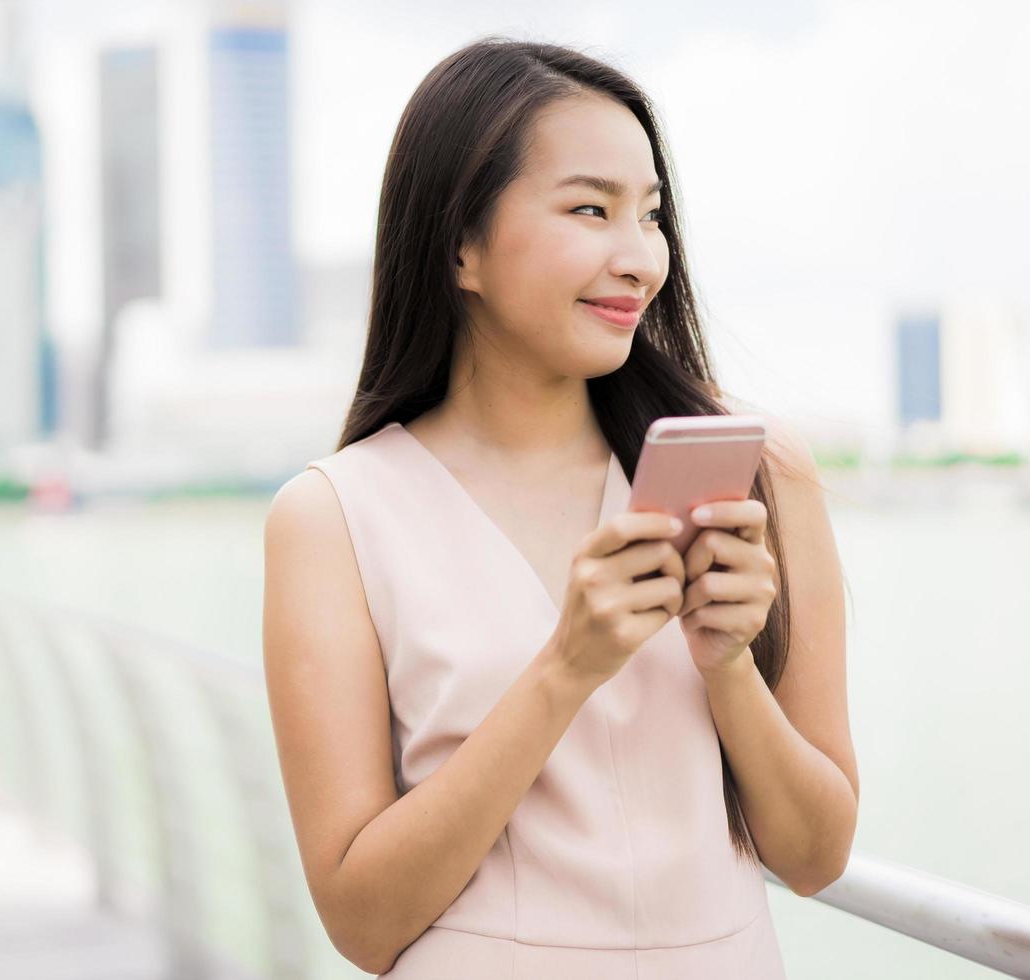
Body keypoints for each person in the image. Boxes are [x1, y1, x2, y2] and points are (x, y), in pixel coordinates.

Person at [263, 36, 857, 979]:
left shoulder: (759, 473)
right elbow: (362, 923)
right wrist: (565, 670)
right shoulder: (335, 517)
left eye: (650, 216)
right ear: (461, 245)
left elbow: (817, 857)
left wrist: (728, 663)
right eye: (590, 209)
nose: (640, 259)